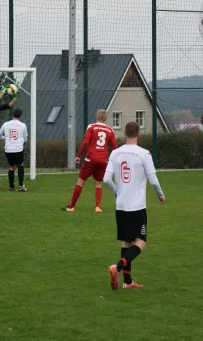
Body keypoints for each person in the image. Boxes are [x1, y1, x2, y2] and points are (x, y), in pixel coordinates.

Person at [104, 122, 165, 290]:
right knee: (141, 241)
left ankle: (128, 281)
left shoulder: (115, 153)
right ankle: (117, 266)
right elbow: (153, 180)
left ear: (124, 133)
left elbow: (106, 179)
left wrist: (117, 191)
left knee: (127, 241)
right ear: (139, 134)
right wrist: (161, 195)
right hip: (137, 207)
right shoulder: (144, 154)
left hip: (121, 205)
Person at [62, 109, 117, 213]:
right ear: (105, 118)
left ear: (96, 117)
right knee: (98, 183)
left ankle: (71, 207)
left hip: (90, 159)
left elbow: (85, 142)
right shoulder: (111, 130)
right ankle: (97, 207)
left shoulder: (91, 127)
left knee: (80, 182)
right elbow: (115, 147)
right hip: (103, 161)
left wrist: (78, 156)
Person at [0, 108, 28, 191]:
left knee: (12, 167)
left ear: (13, 114)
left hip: (9, 149)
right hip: (18, 149)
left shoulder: (6, 124)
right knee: (20, 165)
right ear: (20, 115)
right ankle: (21, 185)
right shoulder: (23, 125)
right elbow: (25, 139)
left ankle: (11, 186)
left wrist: (7, 137)